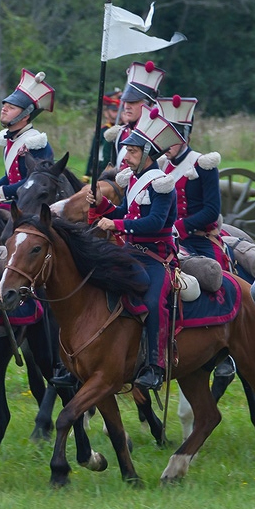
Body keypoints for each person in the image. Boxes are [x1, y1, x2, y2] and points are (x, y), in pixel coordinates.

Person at [89, 106, 182, 392]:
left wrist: (116, 226)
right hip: (131, 253)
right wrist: (104, 207)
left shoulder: (162, 184)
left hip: (157, 258)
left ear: (148, 155)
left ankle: (156, 366)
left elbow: (153, 222)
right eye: (126, 150)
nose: (125, 157)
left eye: (132, 151)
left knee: (154, 302)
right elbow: (127, 212)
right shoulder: (134, 179)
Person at [158, 93, 236, 378]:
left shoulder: (204, 165)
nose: (166, 143)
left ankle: (225, 349)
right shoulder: (161, 167)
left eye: (171, 136)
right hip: (168, 239)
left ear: (185, 136)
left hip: (198, 237)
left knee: (217, 277)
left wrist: (180, 226)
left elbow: (211, 211)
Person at [0, 69, 55, 206]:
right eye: (5, 105)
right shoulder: (11, 139)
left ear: (25, 116)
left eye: (11, 107)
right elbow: (12, 178)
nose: (4, 109)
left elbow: (34, 182)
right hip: (19, 201)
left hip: (34, 205)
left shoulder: (36, 143)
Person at [104, 61, 165, 171]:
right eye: (126, 101)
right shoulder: (120, 134)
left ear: (150, 105)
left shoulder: (157, 137)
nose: (126, 106)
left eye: (133, 102)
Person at [86, 90, 120, 179]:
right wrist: (87, 173)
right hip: (102, 170)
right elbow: (94, 152)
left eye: (119, 110)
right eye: (114, 111)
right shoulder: (103, 130)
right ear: (106, 112)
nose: (117, 114)